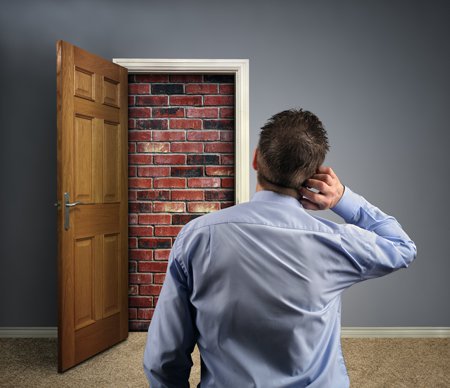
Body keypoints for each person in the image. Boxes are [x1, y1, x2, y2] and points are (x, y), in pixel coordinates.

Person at [143, 108, 417, 387]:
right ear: (314, 176)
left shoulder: (197, 237)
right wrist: (343, 198)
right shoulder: (338, 242)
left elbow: (163, 360)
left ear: (255, 159)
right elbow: (402, 246)